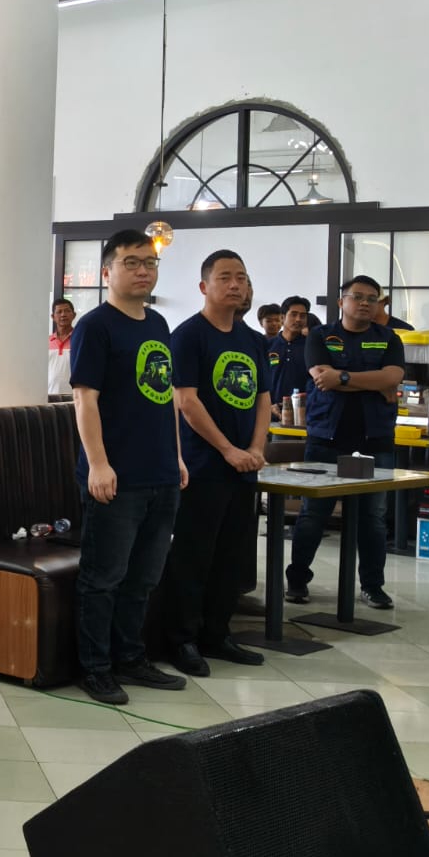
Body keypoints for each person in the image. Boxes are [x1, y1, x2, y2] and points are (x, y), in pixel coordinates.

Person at [68, 229, 189, 706]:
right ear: (107, 272)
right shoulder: (95, 326)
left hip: (161, 472)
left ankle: (131, 657)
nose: (143, 271)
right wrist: (98, 464)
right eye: (132, 263)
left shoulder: (158, 324)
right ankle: (95, 668)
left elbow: (166, 398)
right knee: (103, 578)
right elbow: (85, 400)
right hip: (116, 475)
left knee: (144, 578)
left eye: (150, 263)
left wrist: (176, 456)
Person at [161, 251, 271, 678]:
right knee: (193, 555)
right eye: (225, 277)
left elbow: (263, 398)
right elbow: (186, 401)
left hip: (244, 466)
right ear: (204, 286)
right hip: (203, 465)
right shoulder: (189, 336)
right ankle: (181, 640)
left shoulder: (253, 340)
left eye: (241, 277)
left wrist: (256, 447)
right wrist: (228, 449)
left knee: (232, 555)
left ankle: (217, 634)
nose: (235, 284)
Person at [286, 275, 406, 609]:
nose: (365, 303)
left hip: (374, 440)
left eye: (372, 298)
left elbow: (393, 377)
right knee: (313, 514)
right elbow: (320, 377)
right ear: (342, 302)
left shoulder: (389, 339)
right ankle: (297, 580)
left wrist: (341, 377)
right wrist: (372, 382)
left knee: (373, 517)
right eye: (358, 296)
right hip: (327, 438)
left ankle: (373, 586)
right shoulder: (320, 336)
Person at [268, 296, 311, 404]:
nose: (298, 319)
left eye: (303, 316)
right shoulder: (267, 345)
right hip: (270, 408)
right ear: (282, 318)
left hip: (303, 409)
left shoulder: (311, 347)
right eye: (293, 314)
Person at [49, 298, 76, 399]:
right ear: (53, 316)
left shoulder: (81, 340)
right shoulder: (45, 343)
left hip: (75, 397)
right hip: (48, 396)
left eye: (67, 311)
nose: (63, 315)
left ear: (74, 315)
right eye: (59, 312)